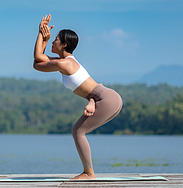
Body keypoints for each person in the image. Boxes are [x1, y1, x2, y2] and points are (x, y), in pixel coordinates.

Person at [33, 14, 123, 180]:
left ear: (64, 44)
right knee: (79, 131)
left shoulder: (65, 63)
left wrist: (41, 34)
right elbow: (37, 64)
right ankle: (88, 172)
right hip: (105, 98)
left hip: (106, 98)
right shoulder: (65, 62)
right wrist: (44, 39)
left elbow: (38, 58)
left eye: (56, 39)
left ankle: (89, 173)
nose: (53, 41)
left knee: (78, 131)